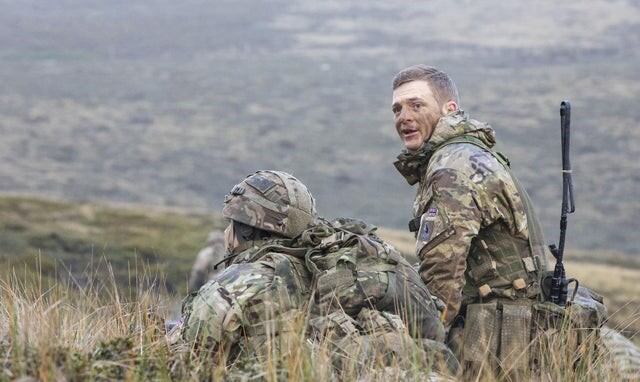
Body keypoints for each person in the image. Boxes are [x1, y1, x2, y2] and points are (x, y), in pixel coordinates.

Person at [390, 65, 606, 376]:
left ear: (449, 109)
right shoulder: (470, 154)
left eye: (416, 104)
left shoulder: (451, 168)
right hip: (526, 333)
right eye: (397, 108)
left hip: (500, 344)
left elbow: (441, 280)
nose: (404, 116)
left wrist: (417, 356)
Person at [173, 170, 451, 377]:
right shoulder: (334, 267)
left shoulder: (239, 282)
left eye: (230, 224)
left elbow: (187, 361)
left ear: (244, 228)